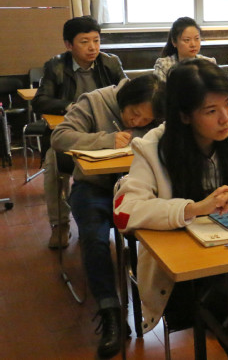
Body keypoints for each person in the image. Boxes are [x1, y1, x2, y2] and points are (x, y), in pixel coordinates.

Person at [114, 60, 228, 359]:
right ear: (184, 115)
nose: (226, 118)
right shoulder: (154, 147)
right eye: (211, 111)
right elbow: (126, 212)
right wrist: (194, 208)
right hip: (186, 274)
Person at [51, 74, 163, 358]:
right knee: (94, 237)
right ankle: (110, 312)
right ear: (126, 99)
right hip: (94, 187)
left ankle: (177, 303)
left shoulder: (157, 114)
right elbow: (59, 137)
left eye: (145, 121)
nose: (137, 122)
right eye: (134, 113)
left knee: (171, 227)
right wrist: (106, 140)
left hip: (138, 187)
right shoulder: (95, 101)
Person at [33, 16, 126, 249]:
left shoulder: (110, 63)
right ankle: (60, 224)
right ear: (69, 45)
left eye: (96, 40)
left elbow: (128, 93)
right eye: (85, 42)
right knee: (53, 163)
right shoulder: (55, 66)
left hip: (106, 134)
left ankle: (111, 219)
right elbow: (40, 101)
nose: (93, 47)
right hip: (73, 133)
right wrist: (70, 106)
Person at [153, 16, 216, 81]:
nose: (193, 44)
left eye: (197, 38)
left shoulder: (209, 63)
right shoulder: (164, 65)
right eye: (187, 40)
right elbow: (158, 87)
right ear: (174, 42)